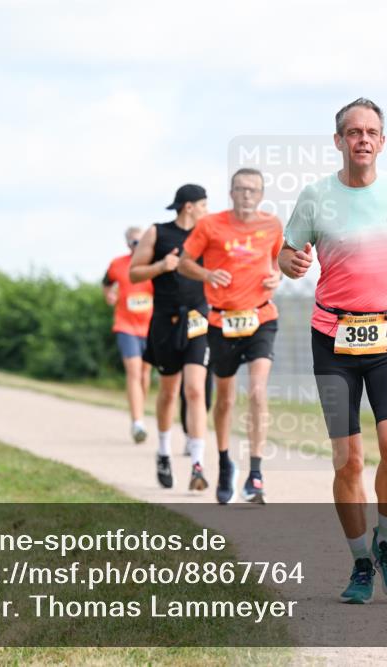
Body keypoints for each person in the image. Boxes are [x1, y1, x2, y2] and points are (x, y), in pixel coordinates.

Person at [278, 98, 387, 604]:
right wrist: (291, 263)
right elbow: (285, 252)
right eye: (353, 132)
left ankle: (386, 540)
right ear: (339, 141)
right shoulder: (314, 197)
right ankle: (361, 564)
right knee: (348, 461)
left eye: (371, 132)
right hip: (333, 340)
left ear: (382, 142)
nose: (362, 139)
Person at [179, 168, 283, 504]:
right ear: (231, 192)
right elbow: (183, 263)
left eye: (253, 190)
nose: (247, 195)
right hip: (221, 322)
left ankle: (255, 473)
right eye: (241, 189)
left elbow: (281, 260)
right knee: (224, 399)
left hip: (261, 316)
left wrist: (277, 276)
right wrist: (207, 273)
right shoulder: (210, 225)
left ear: (262, 194)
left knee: (256, 390)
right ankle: (225, 463)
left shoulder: (272, 225)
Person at [129, 184, 210, 491]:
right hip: (165, 320)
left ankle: (197, 464)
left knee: (194, 390)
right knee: (168, 391)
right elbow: (134, 273)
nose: (206, 210)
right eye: (203, 204)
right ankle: (163, 451)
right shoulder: (157, 233)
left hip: (198, 318)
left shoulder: (207, 233)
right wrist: (162, 266)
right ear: (189, 206)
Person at [104, 227, 154, 443]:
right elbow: (106, 283)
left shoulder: (153, 264)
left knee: (144, 375)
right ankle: (137, 423)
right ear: (127, 244)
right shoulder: (118, 264)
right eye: (133, 242)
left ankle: (139, 410)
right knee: (133, 372)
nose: (137, 246)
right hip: (126, 326)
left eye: (140, 242)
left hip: (150, 327)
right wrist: (110, 295)